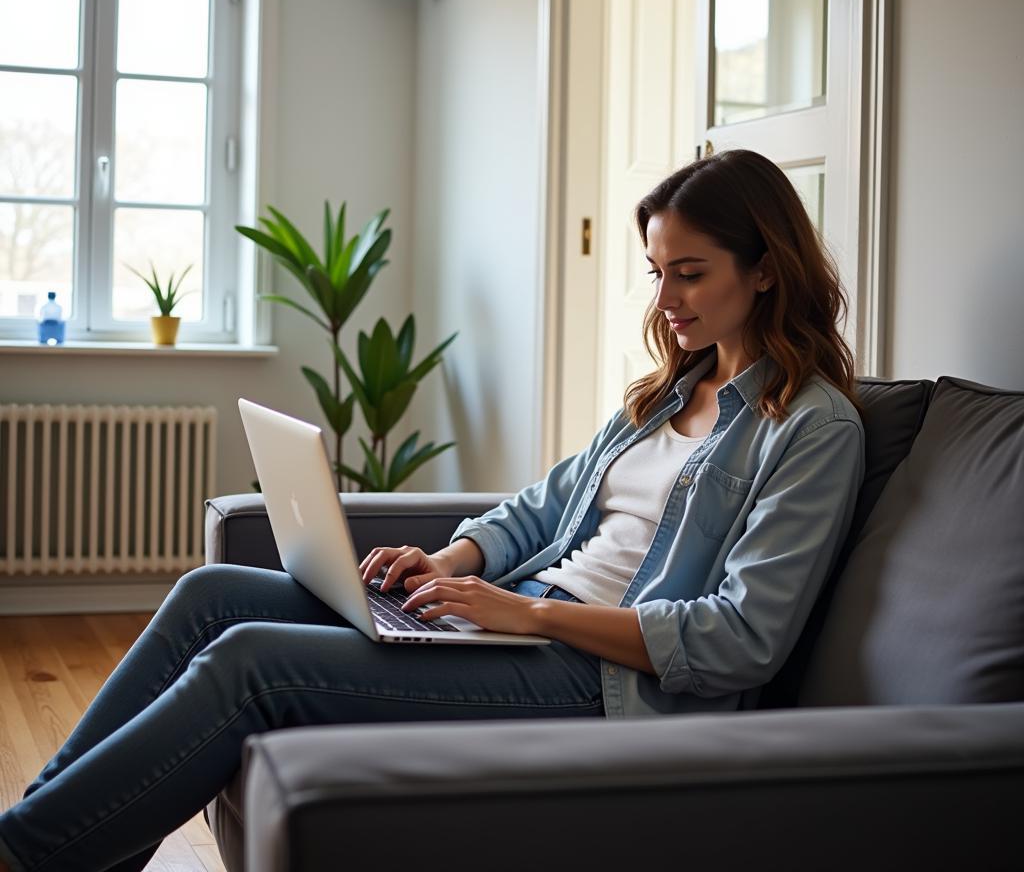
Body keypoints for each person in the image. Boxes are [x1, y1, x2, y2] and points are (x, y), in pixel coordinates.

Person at [0, 149, 864, 872]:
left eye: (690, 274)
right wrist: (452, 564)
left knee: (252, 662)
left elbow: (743, 636)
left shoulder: (813, 428)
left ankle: (30, 854)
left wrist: (527, 617)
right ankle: (44, 832)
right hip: (523, 623)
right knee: (212, 594)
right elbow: (539, 510)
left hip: (604, 682)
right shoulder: (665, 394)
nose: (666, 300)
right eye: (657, 273)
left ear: (763, 269)